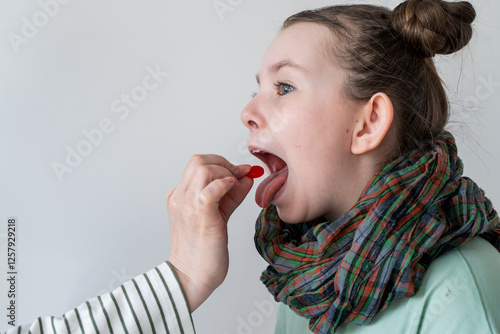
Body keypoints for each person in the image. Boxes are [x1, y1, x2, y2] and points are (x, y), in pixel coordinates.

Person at [5, 0, 500, 333]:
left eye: (283, 87)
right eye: (257, 88)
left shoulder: (464, 285)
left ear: (367, 123)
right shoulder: (305, 283)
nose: (247, 111)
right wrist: (182, 274)